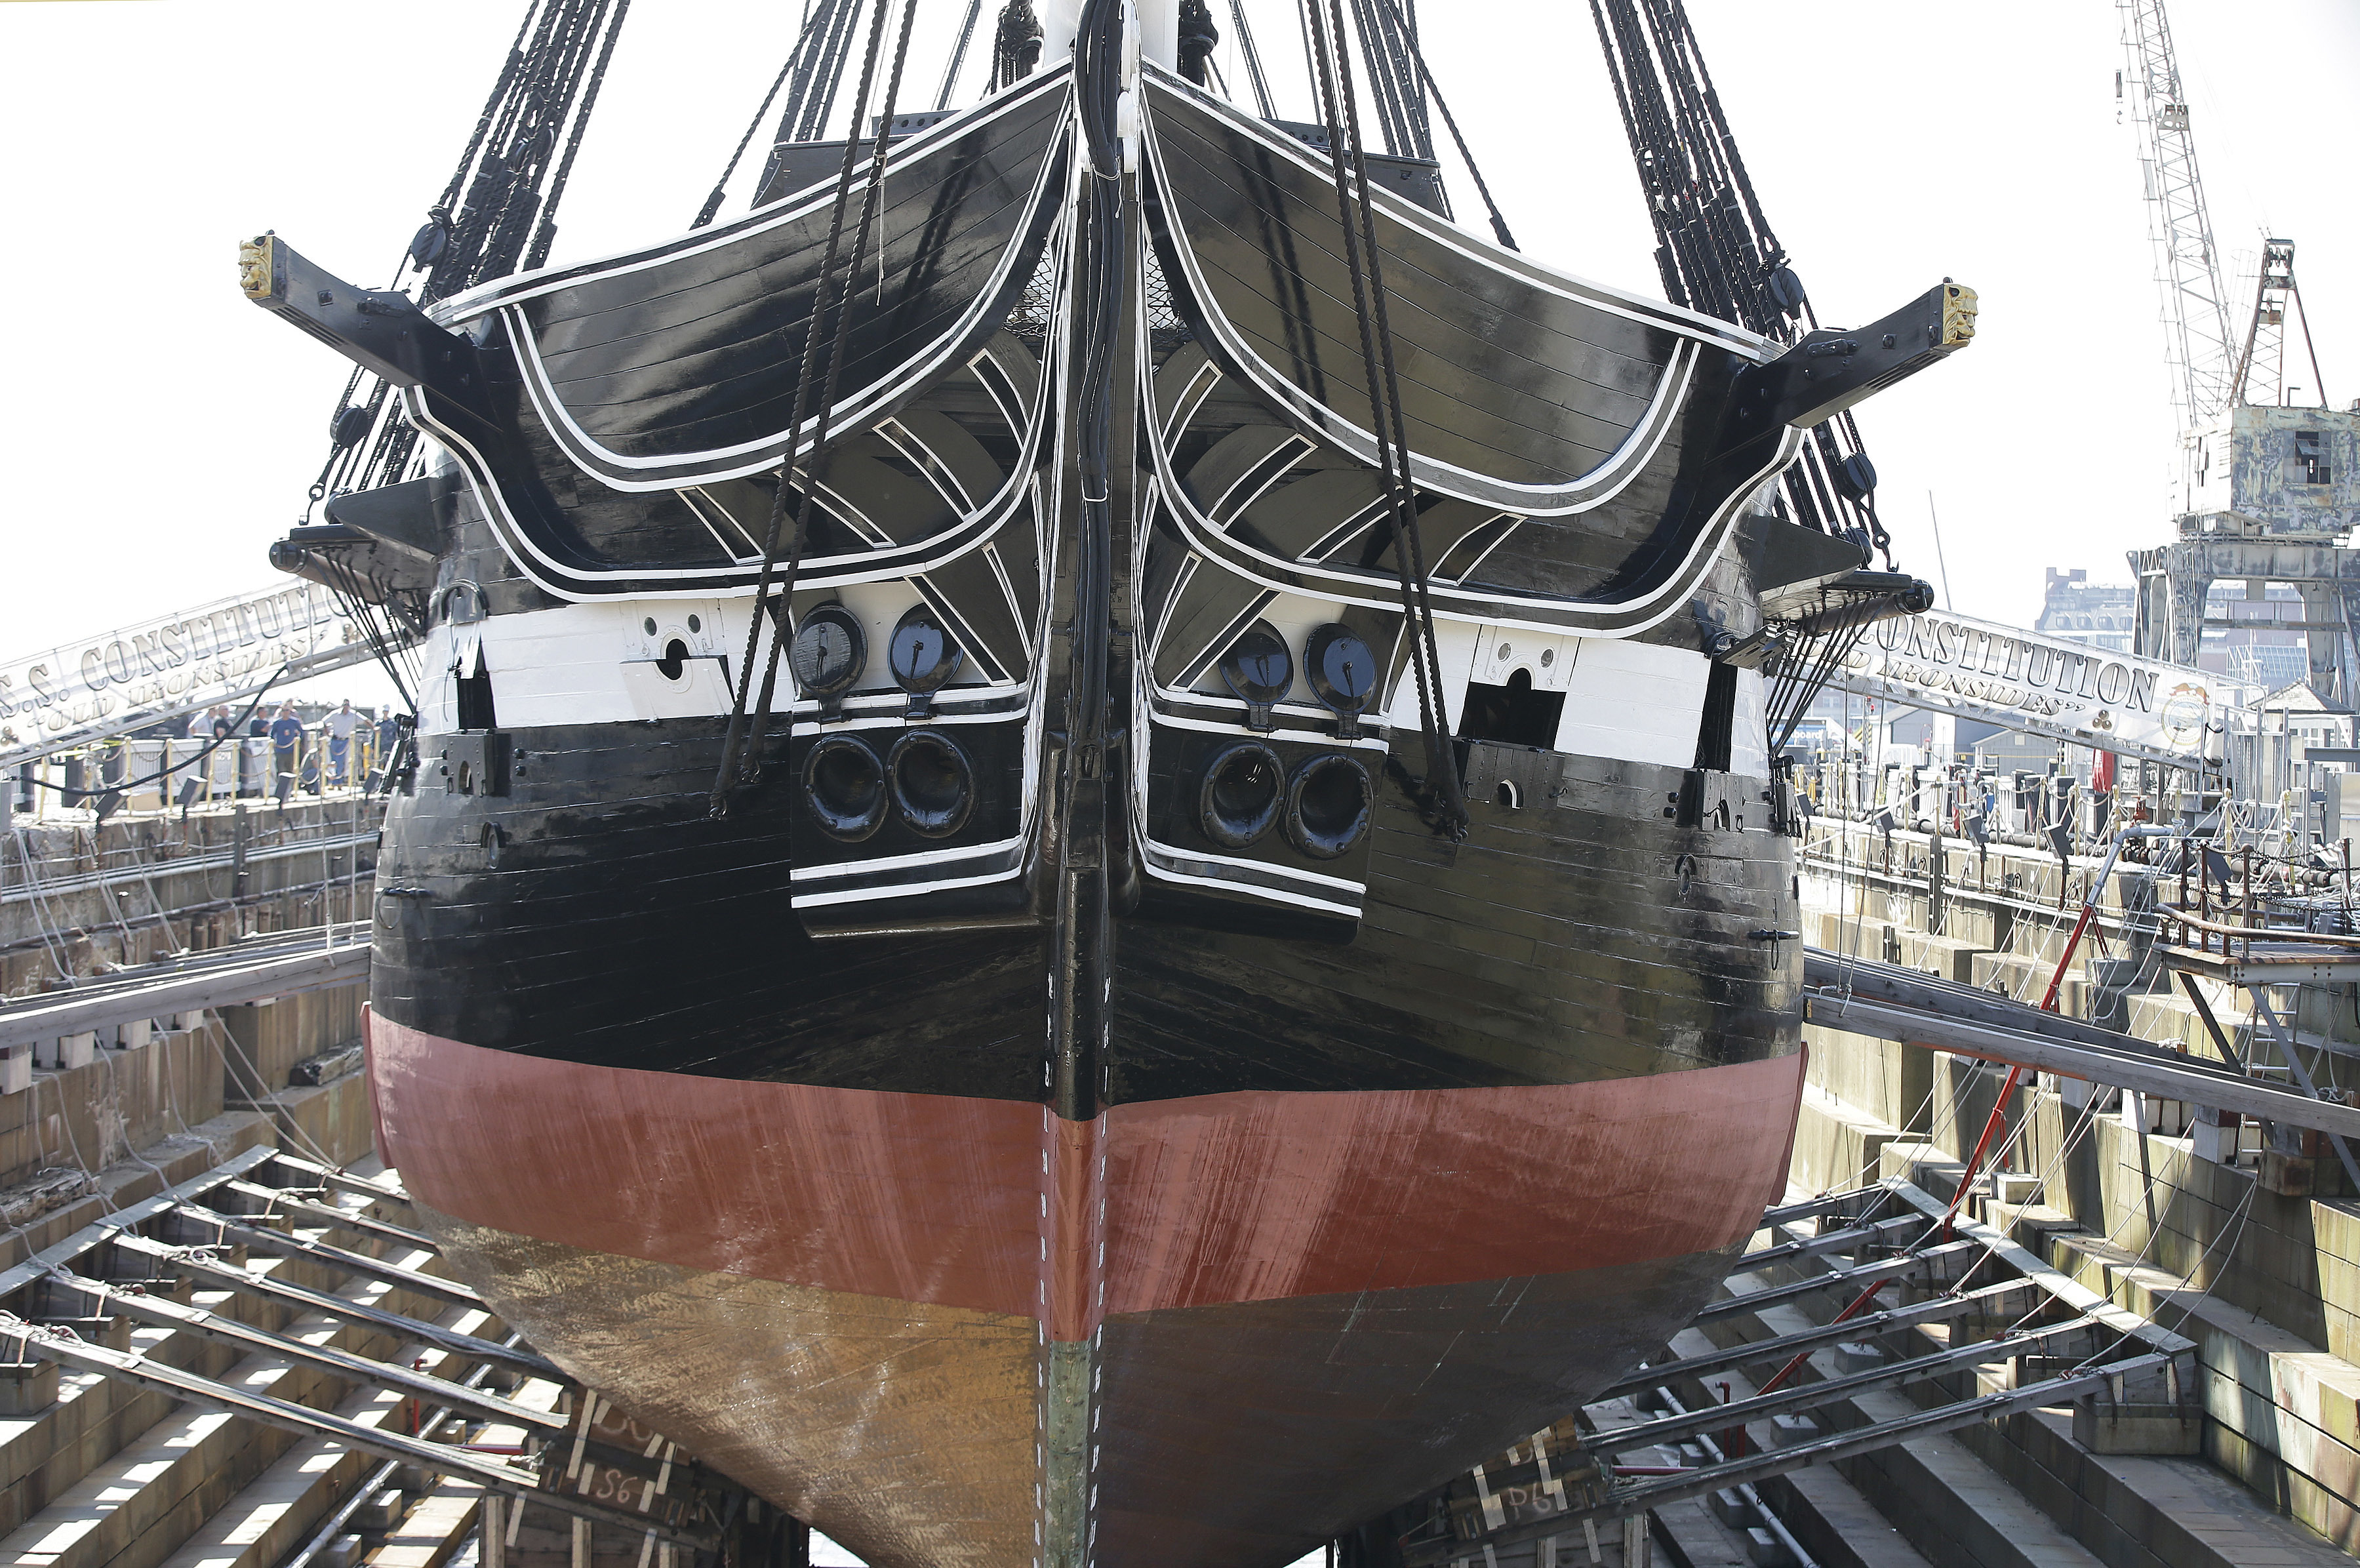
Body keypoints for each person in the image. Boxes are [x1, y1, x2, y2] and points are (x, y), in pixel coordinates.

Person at [323, 698, 363, 788]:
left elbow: (365, 720)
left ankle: (338, 782)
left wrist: (374, 728)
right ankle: (333, 782)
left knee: (342, 762)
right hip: (335, 740)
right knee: (333, 761)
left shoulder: (353, 715)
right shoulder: (335, 714)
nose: (346, 707)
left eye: (347, 705)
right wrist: (328, 733)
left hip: (345, 741)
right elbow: (324, 722)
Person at [268, 701, 304, 801]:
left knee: (291, 769)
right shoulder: (278, 722)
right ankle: (280, 791)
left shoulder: (294, 721)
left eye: (287, 710)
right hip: (280, 749)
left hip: (291, 749)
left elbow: (302, 731)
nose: (285, 712)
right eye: (284, 711)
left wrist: (298, 740)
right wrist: (273, 742)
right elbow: (272, 733)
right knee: (280, 770)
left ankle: (291, 790)